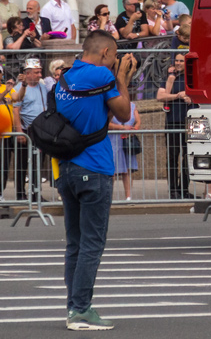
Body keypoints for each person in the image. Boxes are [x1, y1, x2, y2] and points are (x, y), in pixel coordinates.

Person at [54, 31, 137, 330]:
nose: (115, 61)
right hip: (95, 166)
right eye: (114, 56)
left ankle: (73, 307)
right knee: (92, 243)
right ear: (104, 53)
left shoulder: (65, 77)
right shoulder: (102, 75)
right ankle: (81, 310)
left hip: (67, 168)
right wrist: (122, 77)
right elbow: (125, 113)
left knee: (75, 243)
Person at [11, 57, 48, 202]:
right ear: (28, 73)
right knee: (22, 164)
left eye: (40, 72)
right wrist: (19, 131)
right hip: (26, 130)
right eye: (37, 72)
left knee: (37, 163)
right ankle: (20, 193)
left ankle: (35, 193)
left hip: (41, 131)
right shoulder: (19, 89)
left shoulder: (43, 87)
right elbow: (16, 111)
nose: (40, 75)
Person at [157, 53, 191, 199]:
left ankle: (184, 189)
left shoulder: (191, 78)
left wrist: (189, 96)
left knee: (188, 156)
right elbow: (160, 96)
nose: (178, 63)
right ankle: (173, 190)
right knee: (172, 156)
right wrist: (178, 95)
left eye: (181, 61)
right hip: (172, 121)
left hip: (189, 122)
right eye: (176, 60)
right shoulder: (169, 77)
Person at [108, 103, 140, 201]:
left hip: (127, 140)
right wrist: (122, 128)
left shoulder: (132, 106)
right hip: (114, 140)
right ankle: (108, 196)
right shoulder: (110, 105)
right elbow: (106, 124)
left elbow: (138, 121)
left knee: (127, 170)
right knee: (111, 170)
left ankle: (128, 196)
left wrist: (133, 130)